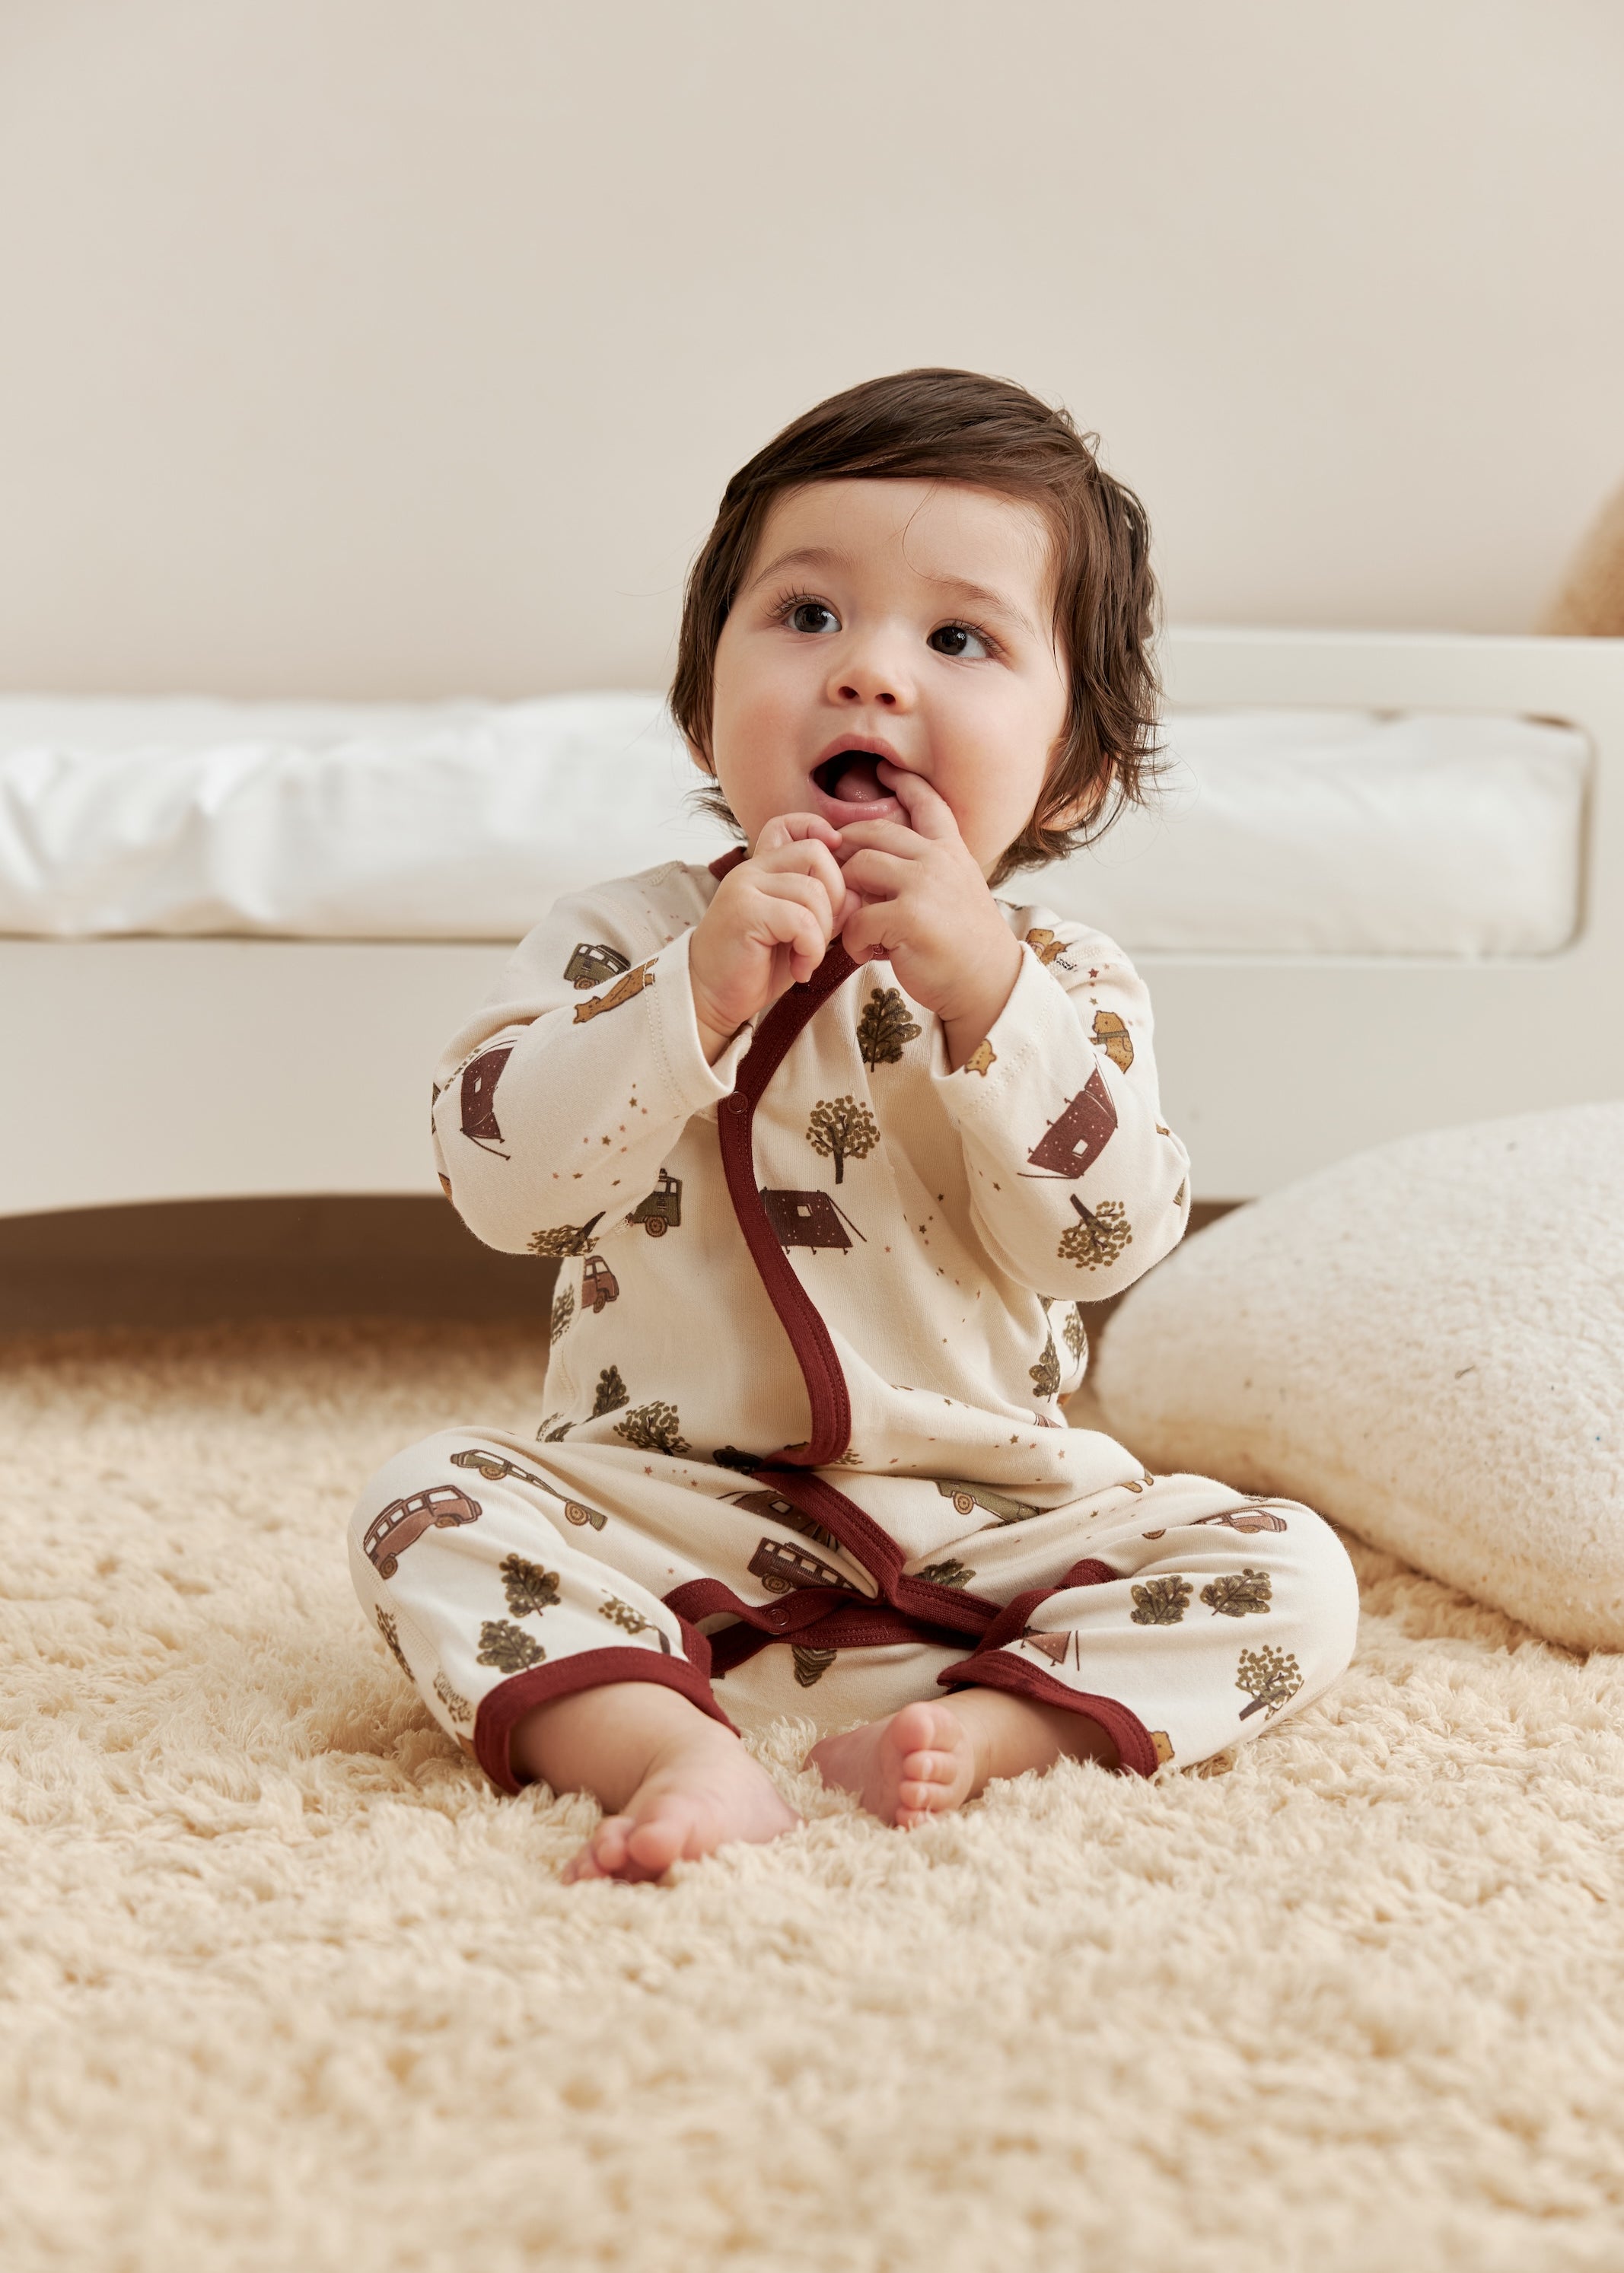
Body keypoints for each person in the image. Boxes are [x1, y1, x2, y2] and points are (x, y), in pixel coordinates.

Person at [349, 369, 1359, 1883]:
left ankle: (998, 1731)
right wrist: (685, 997)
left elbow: (1100, 1239)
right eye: (807, 617)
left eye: (958, 639)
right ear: (704, 697)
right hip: (662, 1503)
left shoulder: (1065, 980)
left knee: (1293, 1574)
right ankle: (663, 1743)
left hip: (987, 1526)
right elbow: (502, 1183)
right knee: (419, 1504)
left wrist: (985, 1002)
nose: (870, 676)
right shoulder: (617, 940)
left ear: (1071, 762)